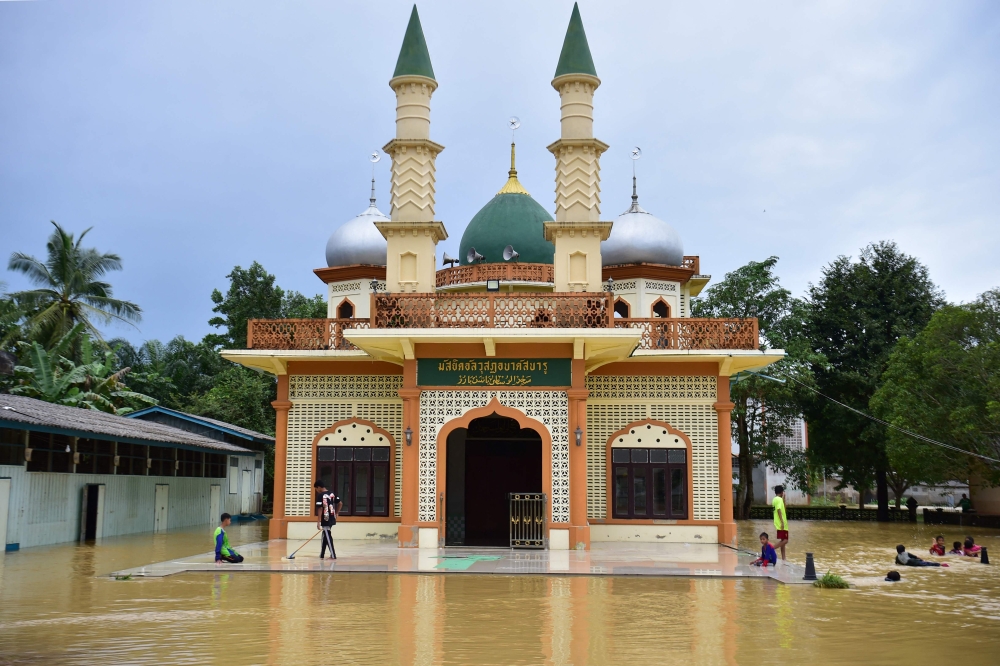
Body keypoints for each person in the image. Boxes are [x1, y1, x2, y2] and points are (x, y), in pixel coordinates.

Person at [314, 479, 342, 560]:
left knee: (327, 535)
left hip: (325, 518)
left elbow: (319, 509)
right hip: (332, 517)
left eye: (316, 489)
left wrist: (318, 521)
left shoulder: (320, 495)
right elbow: (340, 503)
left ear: (319, 487)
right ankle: (322, 555)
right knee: (325, 535)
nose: (317, 491)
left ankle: (333, 555)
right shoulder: (332, 493)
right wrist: (336, 513)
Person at [772, 485, 788, 561]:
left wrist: (784, 499)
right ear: (782, 492)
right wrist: (782, 522)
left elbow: (783, 509)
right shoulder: (779, 500)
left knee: (783, 541)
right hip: (781, 523)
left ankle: (783, 558)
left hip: (778, 522)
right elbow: (779, 510)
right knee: (785, 540)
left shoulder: (775, 499)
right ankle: (771, 548)